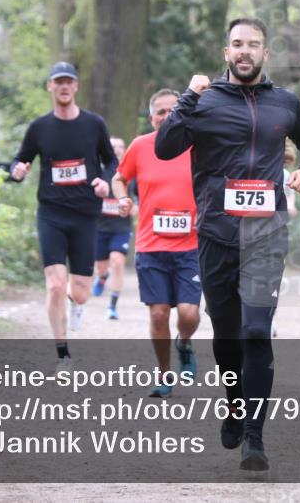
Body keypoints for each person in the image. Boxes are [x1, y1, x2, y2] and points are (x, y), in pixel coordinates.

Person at [155, 17, 300, 471]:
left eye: (253, 44)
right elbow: (165, 148)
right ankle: (233, 401)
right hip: (215, 233)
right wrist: (189, 98)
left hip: (265, 234)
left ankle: (255, 436)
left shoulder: (285, 103)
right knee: (228, 335)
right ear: (226, 52)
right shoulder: (205, 101)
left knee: (255, 330)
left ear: (265, 54)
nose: (244, 51)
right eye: (236, 44)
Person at [10, 61, 117, 370]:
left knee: (80, 293)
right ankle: (63, 353)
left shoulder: (94, 124)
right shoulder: (39, 127)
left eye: (69, 81)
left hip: (85, 216)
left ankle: (75, 305)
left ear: (76, 86)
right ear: (50, 87)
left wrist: (105, 180)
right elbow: (20, 159)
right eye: (58, 82)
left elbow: (111, 162)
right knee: (55, 284)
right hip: (52, 214)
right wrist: (17, 170)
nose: (64, 86)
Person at [111, 89, 201, 399]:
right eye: (160, 112)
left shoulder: (198, 145)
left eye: (171, 110)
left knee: (189, 314)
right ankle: (163, 375)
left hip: (192, 246)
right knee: (159, 314)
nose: (165, 116)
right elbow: (119, 177)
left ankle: (185, 343)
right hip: (151, 245)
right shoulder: (140, 146)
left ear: (183, 113)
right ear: (152, 118)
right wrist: (123, 197)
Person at [92, 136, 137, 320]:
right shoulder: (97, 171)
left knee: (117, 262)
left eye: (120, 146)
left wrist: (137, 207)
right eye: (113, 146)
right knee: (101, 266)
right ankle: (102, 277)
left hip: (121, 227)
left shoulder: (131, 173)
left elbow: (141, 196)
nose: (117, 149)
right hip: (99, 227)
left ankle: (112, 305)